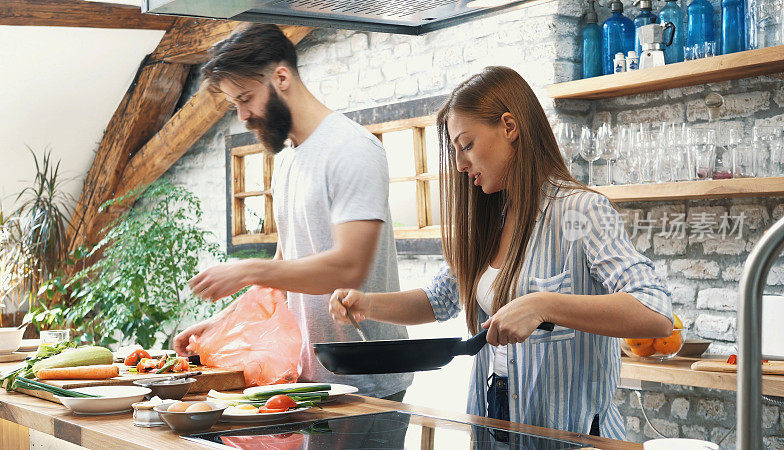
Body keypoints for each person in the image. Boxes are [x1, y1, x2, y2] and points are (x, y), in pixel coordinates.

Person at [329, 66, 673, 439]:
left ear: (509, 127)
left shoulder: (581, 211)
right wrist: (368, 304)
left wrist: (544, 304)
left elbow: (654, 311)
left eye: (467, 145)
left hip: (572, 438)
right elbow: (438, 300)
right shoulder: (491, 220)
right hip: (493, 424)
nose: (460, 165)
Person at [173, 24, 412, 401]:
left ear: (281, 77)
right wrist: (220, 324)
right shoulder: (289, 161)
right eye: (235, 103)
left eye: (246, 98)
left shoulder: (352, 150)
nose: (242, 115)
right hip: (311, 378)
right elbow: (284, 274)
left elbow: (349, 267)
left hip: (370, 383)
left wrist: (246, 269)